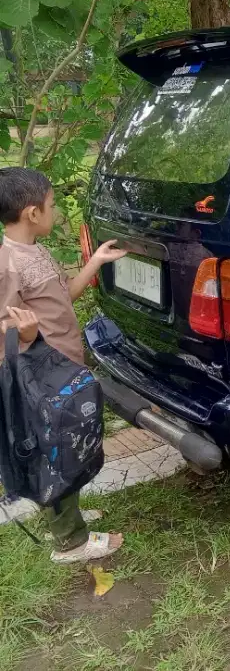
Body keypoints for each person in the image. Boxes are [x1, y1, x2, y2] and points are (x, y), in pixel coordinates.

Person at [0, 166, 128, 563]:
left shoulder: (36, 251)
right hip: (41, 376)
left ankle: (68, 516)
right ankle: (71, 541)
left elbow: (62, 299)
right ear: (31, 213)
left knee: (68, 445)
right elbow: (5, 325)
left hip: (63, 369)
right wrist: (23, 335)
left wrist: (97, 262)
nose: (56, 212)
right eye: (52, 205)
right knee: (53, 451)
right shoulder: (7, 263)